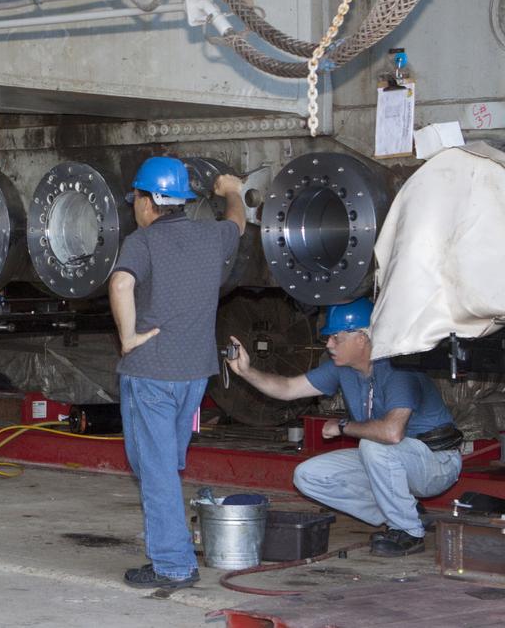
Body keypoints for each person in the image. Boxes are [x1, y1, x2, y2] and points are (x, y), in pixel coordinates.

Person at [226, 296, 462, 557]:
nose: (328, 345)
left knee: (374, 444)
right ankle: (407, 512)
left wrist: (342, 426)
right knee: (307, 476)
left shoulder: (398, 369)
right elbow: (288, 388)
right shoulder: (342, 369)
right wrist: (247, 372)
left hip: (436, 462)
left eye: (336, 338)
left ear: (361, 338)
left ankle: (408, 532)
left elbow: (392, 433)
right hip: (393, 459)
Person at [109, 156, 245, 590]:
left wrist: (128, 337)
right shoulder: (213, 236)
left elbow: (120, 284)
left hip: (150, 374)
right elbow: (238, 223)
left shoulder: (142, 242)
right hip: (194, 376)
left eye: (137, 199)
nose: (136, 207)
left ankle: (172, 564)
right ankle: (171, 546)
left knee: (156, 470)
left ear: (149, 202)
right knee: (165, 463)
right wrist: (233, 192)